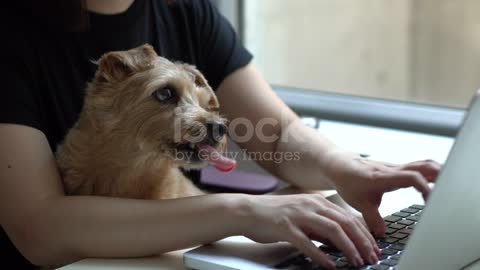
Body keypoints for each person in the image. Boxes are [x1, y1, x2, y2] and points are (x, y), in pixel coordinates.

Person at [0, 0, 440, 269]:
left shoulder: (186, 10)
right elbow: (39, 229)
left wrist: (345, 167)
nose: (211, 119)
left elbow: (276, 133)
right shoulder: (12, 33)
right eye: (167, 96)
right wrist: (243, 211)